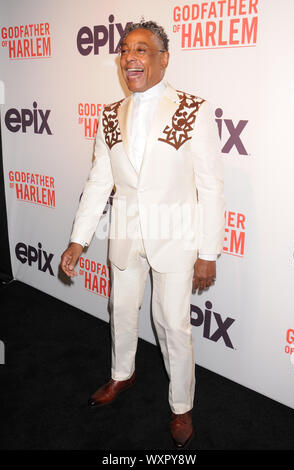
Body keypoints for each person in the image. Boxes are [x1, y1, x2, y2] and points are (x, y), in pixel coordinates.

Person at [60, 20, 225, 449]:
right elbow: (99, 179)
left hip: (175, 237)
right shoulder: (110, 115)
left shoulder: (192, 109)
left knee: (172, 325)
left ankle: (181, 405)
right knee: (123, 310)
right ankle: (122, 374)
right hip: (125, 234)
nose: (130, 56)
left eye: (142, 49)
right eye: (126, 50)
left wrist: (208, 252)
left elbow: (210, 186)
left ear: (162, 59)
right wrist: (79, 240)